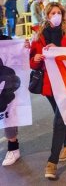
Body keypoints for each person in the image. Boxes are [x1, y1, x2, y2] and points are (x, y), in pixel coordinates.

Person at [29, 2, 66, 179]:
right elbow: (32, 61)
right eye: (52, 13)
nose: (56, 15)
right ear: (47, 15)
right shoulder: (38, 34)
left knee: (59, 120)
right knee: (61, 117)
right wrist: (36, 58)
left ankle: (52, 162)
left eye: (59, 12)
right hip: (49, 83)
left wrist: (57, 50)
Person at [0, 31, 30, 166]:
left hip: (4, 82)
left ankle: (13, 148)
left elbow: (16, 53)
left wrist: (22, 46)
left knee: (8, 112)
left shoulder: (4, 40)